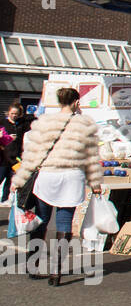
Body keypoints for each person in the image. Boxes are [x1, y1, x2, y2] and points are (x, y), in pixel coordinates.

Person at [11, 88, 104, 286]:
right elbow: (91, 157)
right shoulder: (85, 124)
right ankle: (56, 272)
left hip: (47, 176)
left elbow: (31, 155)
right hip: (71, 177)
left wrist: (18, 181)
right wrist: (95, 183)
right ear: (77, 102)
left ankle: (33, 265)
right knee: (64, 223)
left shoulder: (44, 122)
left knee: (41, 220)